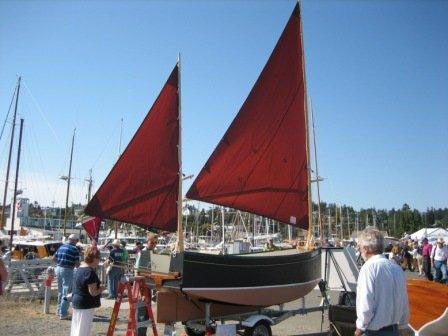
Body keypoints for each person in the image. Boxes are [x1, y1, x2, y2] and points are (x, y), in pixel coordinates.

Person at [356, 228, 409, 336]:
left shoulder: (368, 268)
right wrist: (403, 324)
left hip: (374, 331)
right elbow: (404, 300)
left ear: (366, 248)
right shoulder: (396, 267)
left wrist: (360, 326)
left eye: (360, 247)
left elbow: (366, 301)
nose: (359, 249)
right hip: (394, 329)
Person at [70, 245, 106, 336]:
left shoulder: (80, 268)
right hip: (85, 304)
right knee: (83, 331)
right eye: (98, 259)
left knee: (76, 328)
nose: (98, 262)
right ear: (94, 258)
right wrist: (101, 289)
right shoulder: (89, 272)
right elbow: (93, 293)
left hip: (77, 301)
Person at [53, 233, 80, 319]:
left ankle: (59, 310)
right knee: (67, 292)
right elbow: (77, 264)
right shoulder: (74, 249)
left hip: (58, 268)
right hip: (67, 270)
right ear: (74, 240)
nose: (77, 242)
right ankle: (63, 313)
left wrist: (61, 262)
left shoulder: (61, 247)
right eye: (77, 240)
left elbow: (53, 258)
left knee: (60, 291)